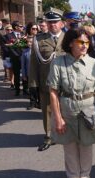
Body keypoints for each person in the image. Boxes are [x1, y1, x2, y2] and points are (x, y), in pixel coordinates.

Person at [47, 28, 95, 178]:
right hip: (67, 109)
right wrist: (57, 118)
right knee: (70, 145)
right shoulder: (58, 62)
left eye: (87, 42)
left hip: (89, 109)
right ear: (71, 42)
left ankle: (85, 175)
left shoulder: (93, 63)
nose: (85, 46)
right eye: (81, 42)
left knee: (86, 145)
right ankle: (73, 177)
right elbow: (53, 91)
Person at [29, 8, 65, 151]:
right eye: (49, 22)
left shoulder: (70, 38)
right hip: (47, 82)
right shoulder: (39, 40)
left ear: (62, 23)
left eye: (55, 22)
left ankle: (66, 134)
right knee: (48, 111)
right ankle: (49, 136)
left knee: (68, 110)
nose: (52, 25)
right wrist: (33, 83)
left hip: (67, 82)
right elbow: (33, 63)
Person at [6, 21, 25, 96]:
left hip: (24, 58)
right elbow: (10, 48)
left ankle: (25, 89)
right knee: (16, 74)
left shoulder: (23, 34)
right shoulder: (9, 36)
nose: (22, 27)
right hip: (15, 58)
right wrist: (17, 55)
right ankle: (17, 89)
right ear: (16, 27)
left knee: (25, 73)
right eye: (20, 26)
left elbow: (25, 45)